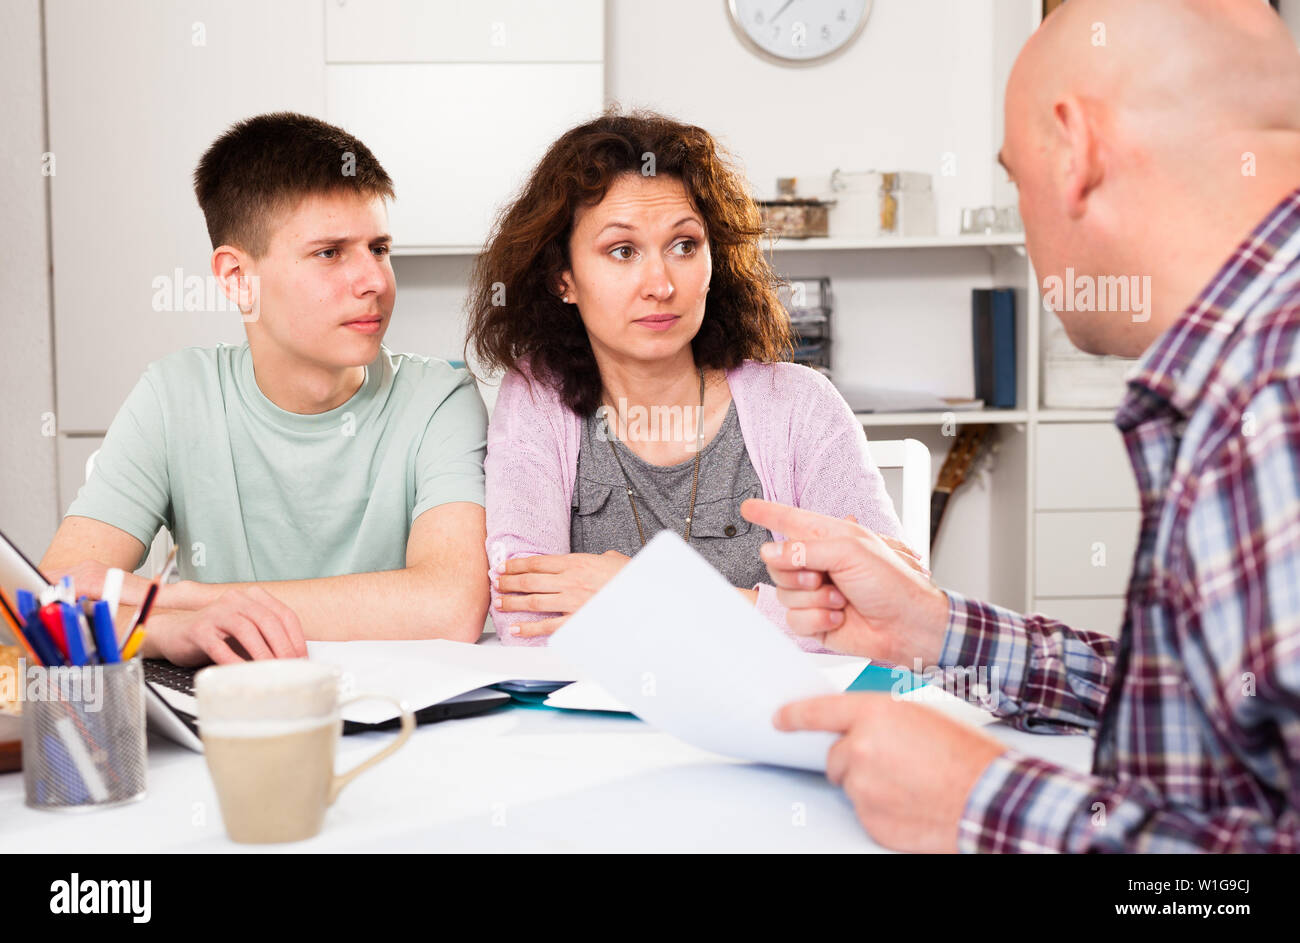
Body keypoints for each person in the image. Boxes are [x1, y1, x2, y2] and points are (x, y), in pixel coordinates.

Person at [744, 0, 1300, 853]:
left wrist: (981, 804)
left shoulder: (1273, 402)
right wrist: (936, 630)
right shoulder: (1248, 365)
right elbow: (1219, 710)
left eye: (1014, 174)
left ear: (1075, 151)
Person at [40, 112, 491, 666]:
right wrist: (166, 633)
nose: (374, 280)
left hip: (398, 717)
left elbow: (450, 605)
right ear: (236, 278)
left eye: (378, 248)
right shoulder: (175, 395)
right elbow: (56, 598)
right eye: (330, 253)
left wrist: (181, 600)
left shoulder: (439, 399)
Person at [467, 109, 917, 647]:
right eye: (622, 251)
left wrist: (639, 594)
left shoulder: (801, 404)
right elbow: (527, 622)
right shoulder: (539, 400)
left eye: (684, 245)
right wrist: (760, 612)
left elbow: (888, 611)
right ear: (563, 278)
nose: (660, 284)